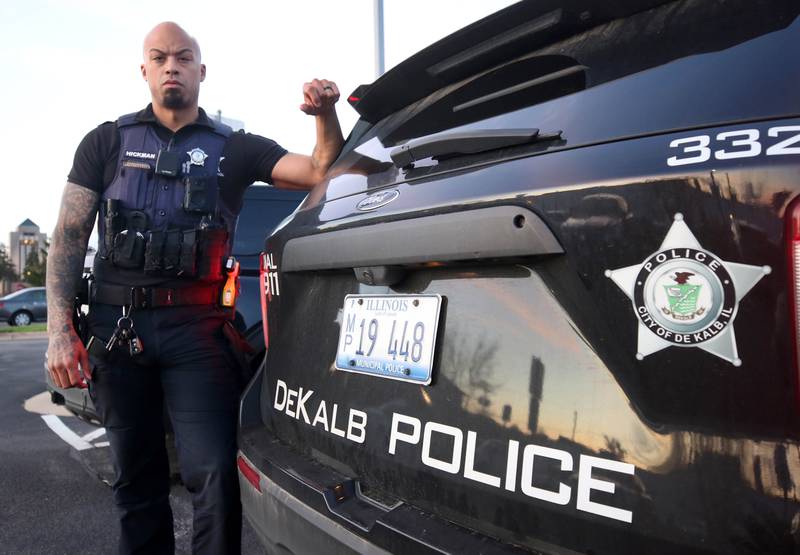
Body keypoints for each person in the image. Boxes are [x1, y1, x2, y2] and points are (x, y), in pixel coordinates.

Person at [45, 21, 343, 554]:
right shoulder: (105, 141)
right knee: (137, 482)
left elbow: (322, 168)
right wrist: (59, 332)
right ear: (145, 70)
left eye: (182, 57)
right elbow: (68, 238)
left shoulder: (236, 148)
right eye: (159, 58)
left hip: (198, 336)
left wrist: (325, 114)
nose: (171, 66)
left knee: (215, 478)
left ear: (200, 72)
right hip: (118, 333)